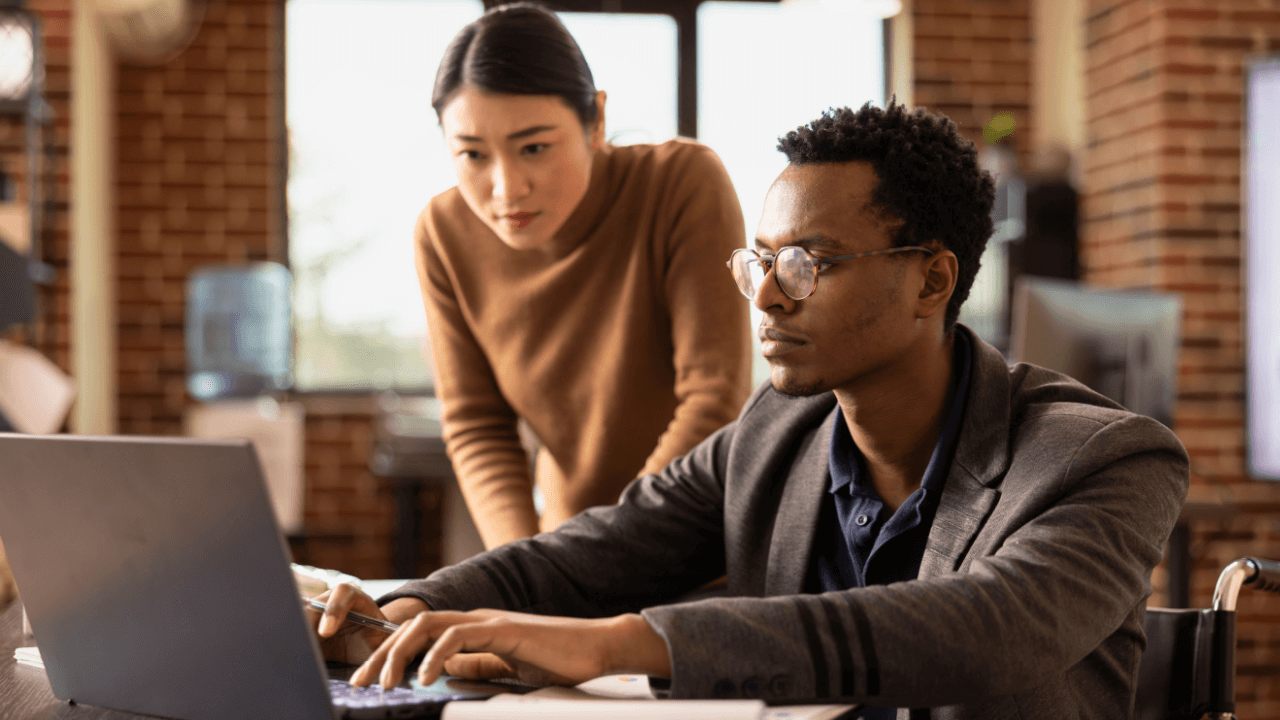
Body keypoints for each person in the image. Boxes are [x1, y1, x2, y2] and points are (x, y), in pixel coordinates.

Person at [313, 103, 1190, 719]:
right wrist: (406, 609)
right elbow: (586, 560)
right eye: (758, 262)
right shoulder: (776, 431)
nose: (766, 297)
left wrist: (620, 645)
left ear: (932, 278)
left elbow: (981, 629)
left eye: (809, 263)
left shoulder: (1108, 459)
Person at [418, 3, 753, 549]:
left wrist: (591, 562)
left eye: (534, 148)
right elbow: (478, 427)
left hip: (697, 544)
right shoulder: (442, 232)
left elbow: (713, 399)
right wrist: (521, 575)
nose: (506, 188)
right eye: (473, 154)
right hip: (567, 545)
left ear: (595, 121)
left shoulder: (681, 183)